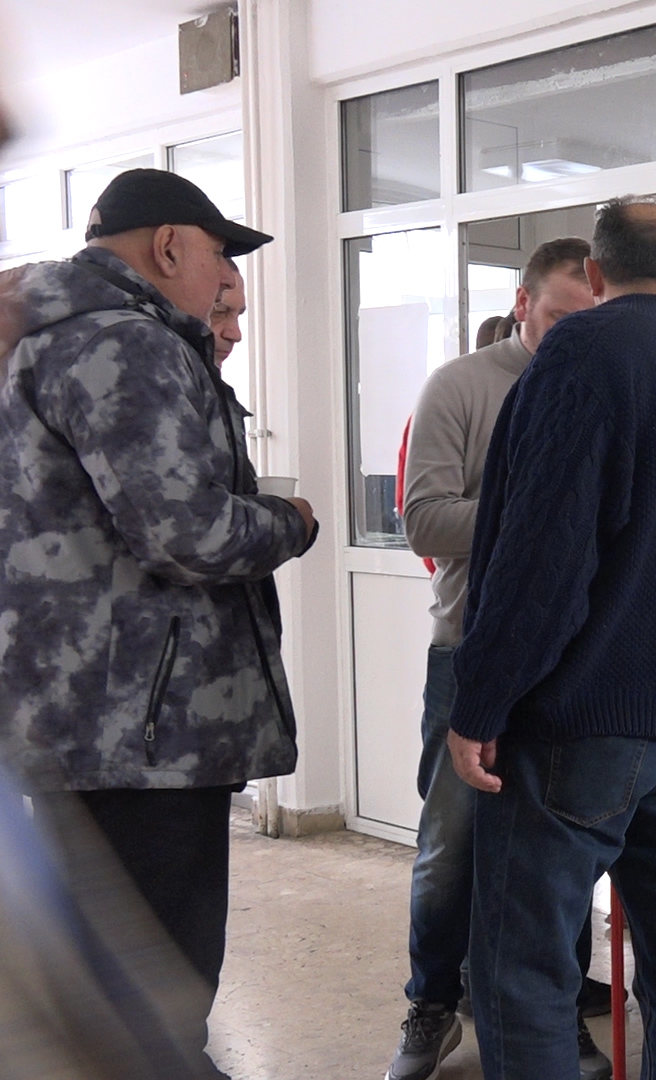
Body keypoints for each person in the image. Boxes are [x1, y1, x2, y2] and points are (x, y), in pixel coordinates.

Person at [447, 195, 656, 1080]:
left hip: (578, 724)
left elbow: (540, 557)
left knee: (523, 966)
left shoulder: (581, 355)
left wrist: (481, 699)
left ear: (595, 274)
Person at [0, 168, 315, 1079]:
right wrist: (290, 522)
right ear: (169, 246)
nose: (222, 284)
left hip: (85, 712)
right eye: (218, 255)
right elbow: (189, 533)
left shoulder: (42, 336)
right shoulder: (125, 344)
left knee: (111, 977)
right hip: (146, 726)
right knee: (156, 992)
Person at [388, 238, 612, 1080]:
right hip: (470, 651)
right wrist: (540, 509)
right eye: (558, 317)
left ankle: (555, 1012)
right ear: (522, 305)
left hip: (572, 661)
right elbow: (424, 519)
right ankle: (432, 1005)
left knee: (559, 853)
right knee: (451, 852)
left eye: (589, 321)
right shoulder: (463, 386)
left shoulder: (606, 387)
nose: (571, 336)